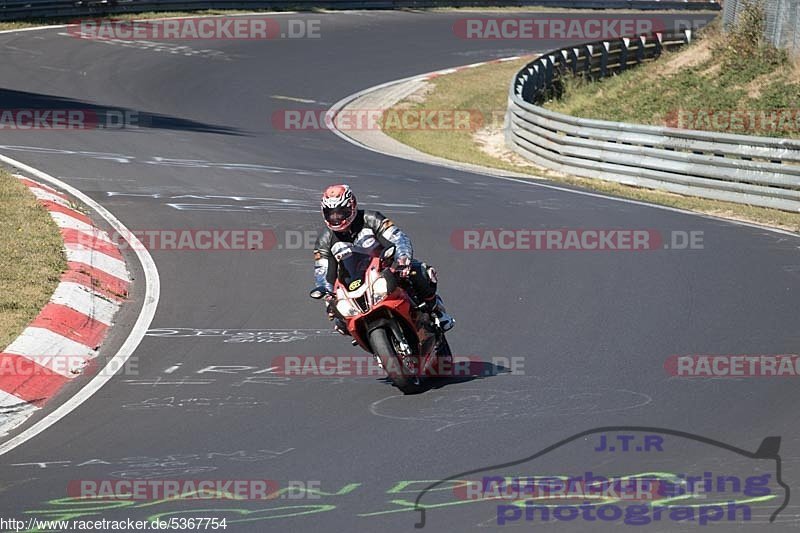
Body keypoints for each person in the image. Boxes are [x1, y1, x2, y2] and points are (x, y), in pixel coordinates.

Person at [313, 184, 454, 334]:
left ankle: (436, 310)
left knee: (420, 272)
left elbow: (398, 238)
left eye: (341, 212)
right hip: (355, 284)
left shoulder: (371, 218)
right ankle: (376, 348)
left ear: (352, 206)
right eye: (331, 213)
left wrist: (402, 261)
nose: (336, 217)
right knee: (340, 322)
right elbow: (322, 273)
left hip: (386, 270)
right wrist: (328, 298)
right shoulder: (324, 240)